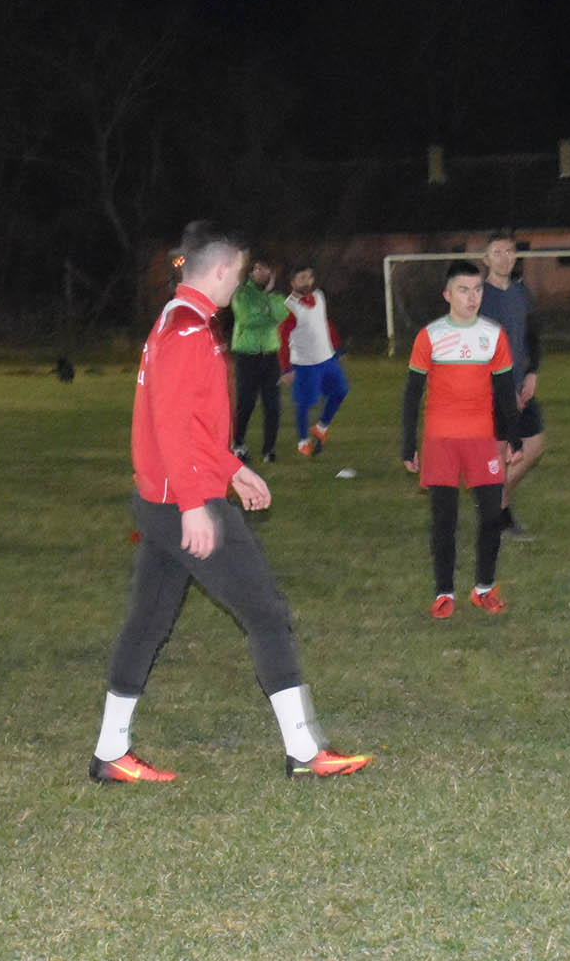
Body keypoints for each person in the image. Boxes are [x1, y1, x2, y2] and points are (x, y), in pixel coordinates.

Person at [89, 222, 370, 784]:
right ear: (220, 269)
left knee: (147, 622)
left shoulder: (180, 320)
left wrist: (233, 469)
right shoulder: (187, 330)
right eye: (238, 273)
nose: (238, 282)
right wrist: (196, 504)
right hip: (180, 502)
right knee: (266, 612)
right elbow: (172, 426)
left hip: (164, 500)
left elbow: (194, 425)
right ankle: (304, 750)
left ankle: (110, 752)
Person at [401, 261, 525, 617]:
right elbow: (412, 393)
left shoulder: (493, 335)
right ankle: (444, 593)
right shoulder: (430, 336)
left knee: (491, 516)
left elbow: (505, 391)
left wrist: (513, 437)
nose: (472, 298)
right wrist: (408, 443)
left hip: (481, 440)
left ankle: (484, 588)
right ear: (447, 294)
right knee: (445, 519)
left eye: (477, 290)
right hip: (440, 441)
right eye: (463, 290)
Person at [480, 235, 545, 537]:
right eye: (497, 252)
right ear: (486, 259)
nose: (504, 257)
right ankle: (500, 518)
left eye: (509, 251)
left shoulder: (521, 293)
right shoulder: (478, 297)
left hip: (521, 385)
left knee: (534, 447)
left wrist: (532, 373)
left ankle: (494, 503)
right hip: (491, 389)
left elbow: (533, 337)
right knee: (498, 456)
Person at [278, 265, 349, 458]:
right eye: (301, 278)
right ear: (293, 282)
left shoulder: (319, 295)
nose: (307, 281)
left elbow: (324, 323)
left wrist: (337, 347)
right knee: (304, 403)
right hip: (305, 363)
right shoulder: (289, 307)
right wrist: (286, 369)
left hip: (327, 358)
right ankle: (303, 441)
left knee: (340, 391)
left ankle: (321, 427)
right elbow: (282, 339)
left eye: (309, 277)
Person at [228, 257, 289, 463]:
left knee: (273, 405)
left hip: (270, 355)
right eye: (258, 269)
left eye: (266, 269)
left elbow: (282, 315)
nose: (262, 273)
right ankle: (238, 443)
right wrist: (268, 315)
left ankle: (269, 449)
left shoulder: (277, 296)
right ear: (251, 272)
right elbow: (247, 319)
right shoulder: (242, 294)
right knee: (246, 402)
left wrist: (268, 296)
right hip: (247, 355)